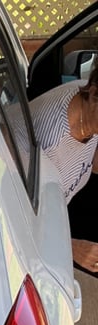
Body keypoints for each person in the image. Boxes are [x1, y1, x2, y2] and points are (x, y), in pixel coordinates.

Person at [28, 62, 98, 275]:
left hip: (61, 207)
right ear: (94, 94)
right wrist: (72, 248)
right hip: (41, 232)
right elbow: (22, 224)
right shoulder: (49, 142)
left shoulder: (84, 98)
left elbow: (90, 159)